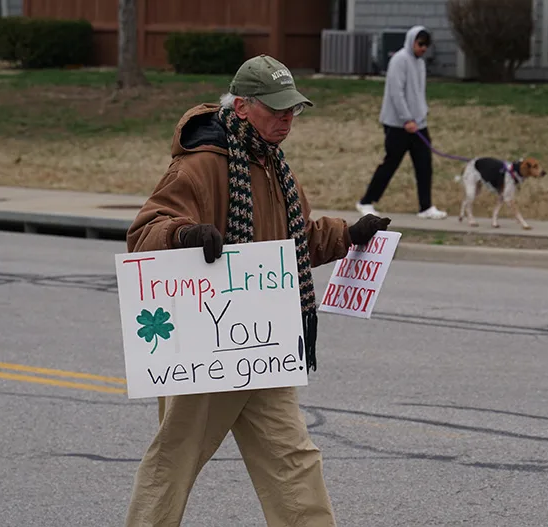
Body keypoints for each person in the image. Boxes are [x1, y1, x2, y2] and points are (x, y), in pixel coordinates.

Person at [123, 54, 391, 527]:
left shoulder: (275, 167)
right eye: (277, 108)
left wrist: (350, 234)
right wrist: (185, 235)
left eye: (293, 109)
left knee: (293, 458)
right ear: (243, 106)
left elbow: (297, 241)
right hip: (205, 345)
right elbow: (146, 231)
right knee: (174, 460)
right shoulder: (201, 165)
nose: (287, 118)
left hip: (263, 343)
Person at [356, 25, 448, 220]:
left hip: (419, 124)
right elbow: (396, 93)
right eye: (420, 44)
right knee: (391, 164)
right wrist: (406, 119)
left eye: (426, 45)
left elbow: (417, 92)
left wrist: (421, 114)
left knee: (424, 165)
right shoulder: (399, 60)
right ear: (411, 41)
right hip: (397, 125)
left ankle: (426, 207)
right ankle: (365, 202)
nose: (423, 48)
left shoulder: (420, 63)